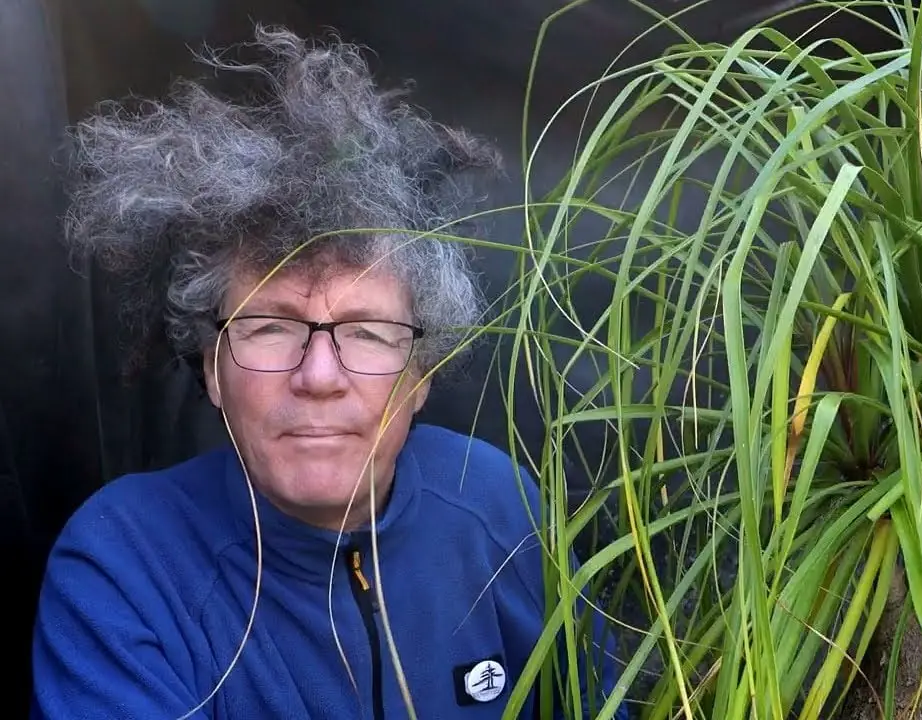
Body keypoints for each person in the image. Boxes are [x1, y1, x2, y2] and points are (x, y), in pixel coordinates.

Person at [30, 26, 625, 719]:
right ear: (213, 367)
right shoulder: (124, 563)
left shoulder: (497, 505)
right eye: (270, 326)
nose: (318, 376)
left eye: (367, 333)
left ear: (422, 372)